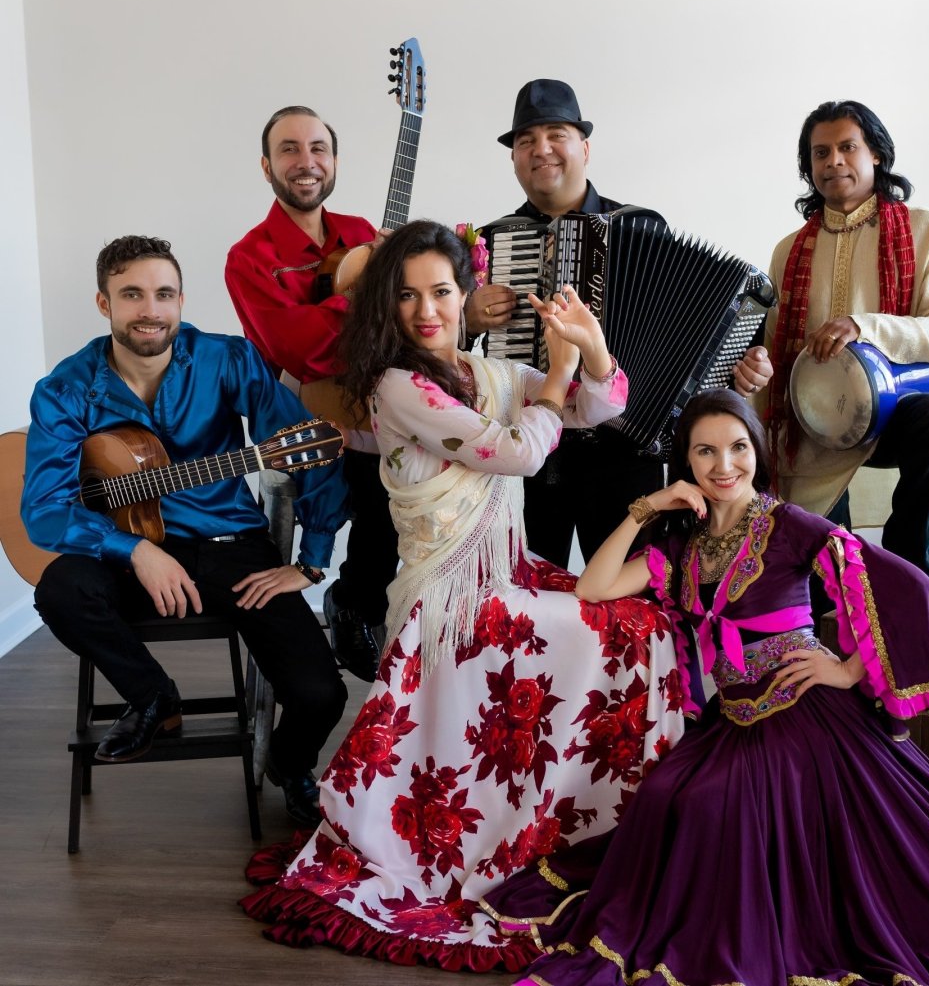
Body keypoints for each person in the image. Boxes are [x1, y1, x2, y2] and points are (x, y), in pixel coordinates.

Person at [240, 221, 688, 971]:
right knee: (623, 628)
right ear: (388, 304)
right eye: (408, 295)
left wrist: (590, 347)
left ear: (466, 294)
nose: (427, 310)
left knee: (647, 620)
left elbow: (601, 407)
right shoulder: (396, 386)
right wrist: (556, 376)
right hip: (449, 600)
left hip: (504, 573)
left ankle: (588, 823)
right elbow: (515, 451)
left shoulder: (492, 372)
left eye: (442, 292)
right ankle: (547, 819)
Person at [483, 388, 929, 986]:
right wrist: (647, 507)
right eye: (706, 451)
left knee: (718, 805)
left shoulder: (787, 525)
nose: (724, 465)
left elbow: (907, 583)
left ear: (757, 452)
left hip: (808, 712)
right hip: (734, 717)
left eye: (738, 447)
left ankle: (755, 935)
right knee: (665, 795)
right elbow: (594, 586)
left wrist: (848, 669)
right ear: (686, 461)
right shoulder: (682, 547)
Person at [25, 235, 349, 827]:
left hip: (227, 544)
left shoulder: (227, 359)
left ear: (180, 300)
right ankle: (153, 697)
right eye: (132, 294)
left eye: (164, 294)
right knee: (59, 590)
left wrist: (312, 558)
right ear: (104, 304)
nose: (150, 309)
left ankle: (289, 762)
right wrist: (134, 550)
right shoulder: (65, 389)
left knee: (321, 693)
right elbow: (43, 510)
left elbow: (317, 450)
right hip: (122, 556)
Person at [466, 78, 773, 570]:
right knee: (523, 590)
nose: (541, 149)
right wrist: (468, 319)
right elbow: (445, 349)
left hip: (626, 451)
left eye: (556, 135)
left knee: (631, 593)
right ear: (514, 159)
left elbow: (685, 338)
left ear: (584, 148)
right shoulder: (495, 240)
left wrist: (740, 366)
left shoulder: (641, 225)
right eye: (526, 141)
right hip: (529, 448)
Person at [763, 100, 929, 577]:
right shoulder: (788, 251)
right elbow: (773, 351)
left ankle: (906, 573)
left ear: (875, 153)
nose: (833, 161)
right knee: (825, 588)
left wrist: (865, 326)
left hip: (894, 414)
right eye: (820, 153)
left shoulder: (924, 230)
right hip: (813, 430)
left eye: (847, 147)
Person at [225, 104, 397, 680]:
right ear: (266, 166)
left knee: (420, 475)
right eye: (289, 149)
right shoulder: (249, 258)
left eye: (318, 148)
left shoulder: (363, 234)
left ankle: (366, 606)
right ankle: (331, 620)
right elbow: (302, 350)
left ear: (335, 160)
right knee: (378, 483)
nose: (306, 161)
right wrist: (368, 298)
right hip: (295, 415)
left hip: (370, 406)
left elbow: (402, 325)